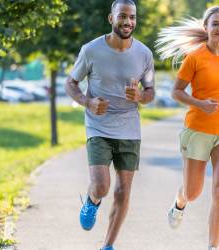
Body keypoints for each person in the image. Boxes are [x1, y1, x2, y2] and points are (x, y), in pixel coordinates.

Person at [156, 5, 219, 250]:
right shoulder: (195, 58)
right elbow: (175, 92)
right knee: (193, 191)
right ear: (206, 28)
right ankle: (179, 201)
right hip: (198, 129)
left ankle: (213, 246)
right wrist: (199, 103)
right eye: (215, 24)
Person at [65, 1, 155, 249]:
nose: (128, 22)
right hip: (99, 127)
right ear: (111, 18)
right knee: (103, 186)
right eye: (123, 16)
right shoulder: (91, 50)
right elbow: (70, 83)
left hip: (129, 129)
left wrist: (140, 97)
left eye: (132, 17)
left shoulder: (144, 54)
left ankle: (107, 245)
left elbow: (150, 92)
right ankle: (92, 200)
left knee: (123, 192)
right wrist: (87, 101)